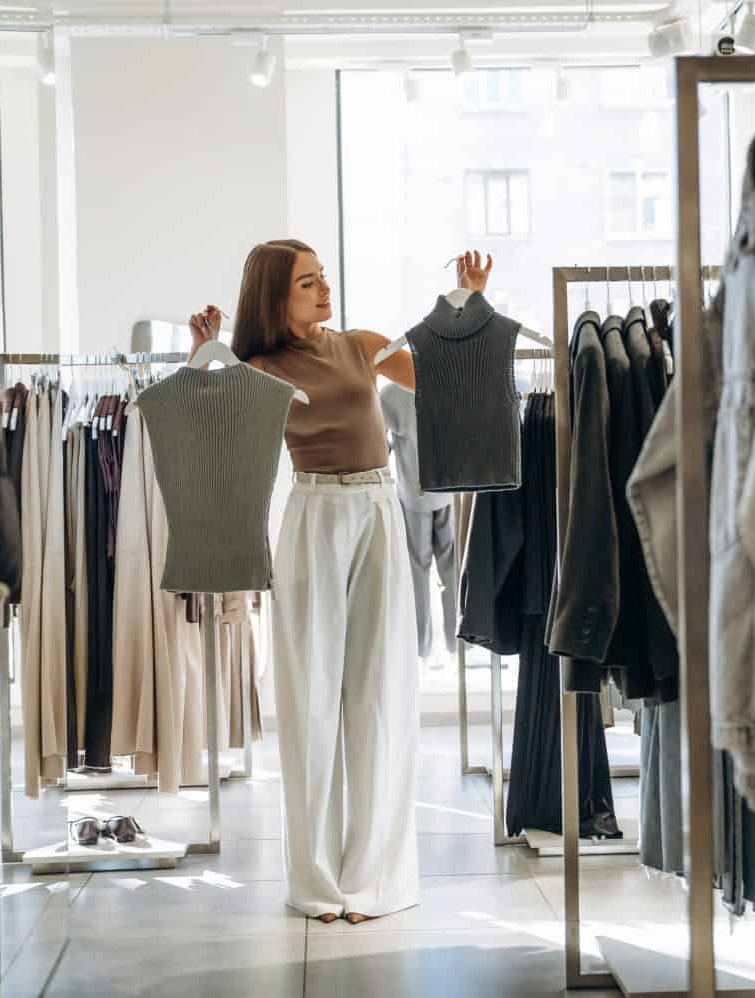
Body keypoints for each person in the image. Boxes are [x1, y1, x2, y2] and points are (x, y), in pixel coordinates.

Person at [188, 241, 492, 925]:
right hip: (314, 516)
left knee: (381, 693)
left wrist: (465, 302)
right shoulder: (258, 367)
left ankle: (373, 882)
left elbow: (443, 377)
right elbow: (210, 432)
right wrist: (204, 351)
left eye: (323, 278)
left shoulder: (364, 346)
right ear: (275, 298)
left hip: (379, 509)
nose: (324, 290)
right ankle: (319, 884)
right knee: (312, 700)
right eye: (307, 282)